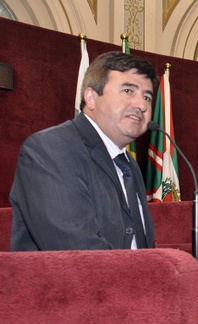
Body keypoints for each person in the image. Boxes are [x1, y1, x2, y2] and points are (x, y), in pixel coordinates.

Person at [10, 51, 157, 250]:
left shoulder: (128, 164)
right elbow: (75, 250)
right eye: (128, 91)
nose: (141, 105)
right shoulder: (51, 148)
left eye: (147, 97)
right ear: (91, 98)